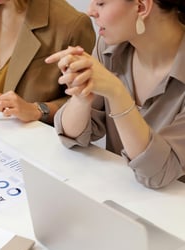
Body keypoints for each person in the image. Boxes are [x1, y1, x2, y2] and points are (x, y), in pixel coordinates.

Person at [46, 0, 185, 188]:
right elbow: (71, 136)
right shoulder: (110, 48)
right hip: (120, 196)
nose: (90, 12)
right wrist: (81, 96)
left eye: (101, 3)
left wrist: (117, 93)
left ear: (141, 7)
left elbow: (156, 173)